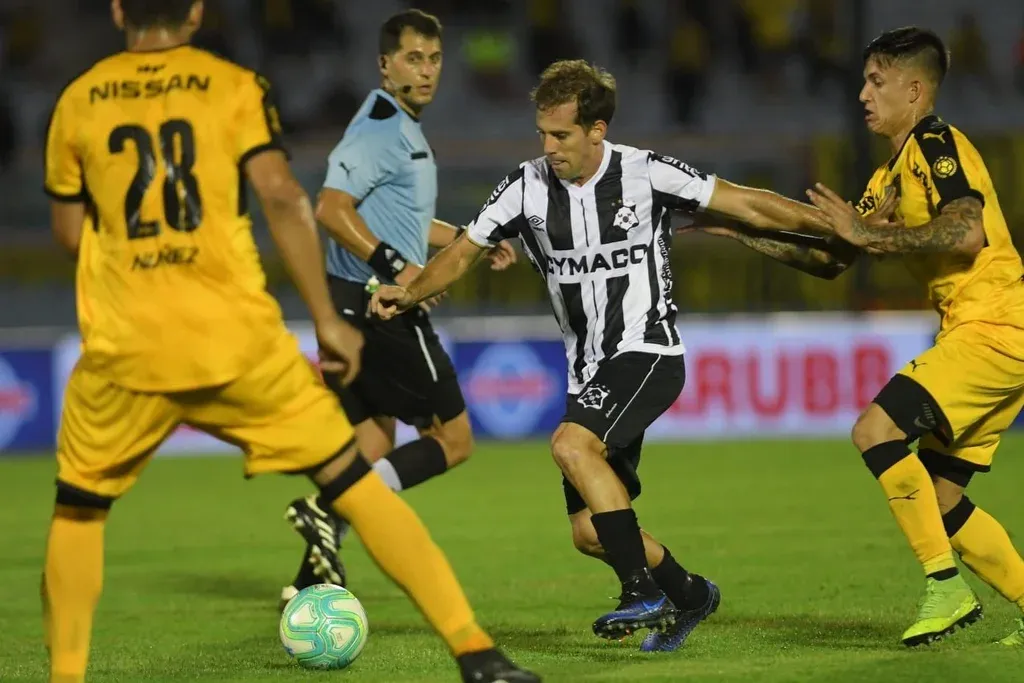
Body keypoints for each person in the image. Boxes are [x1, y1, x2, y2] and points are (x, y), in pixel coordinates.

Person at [40, 2, 539, 682]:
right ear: (196, 11)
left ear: (119, 9)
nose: (426, 70)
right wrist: (329, 317)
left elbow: (70, 234)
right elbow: (283, 196)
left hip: (126, 342)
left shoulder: (78, 99)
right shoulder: (233, 86)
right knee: (354, 482)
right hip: (235, 339)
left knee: (78, 509)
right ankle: (476, 653)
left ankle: (65, 674)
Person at [369, 59, 842, 651]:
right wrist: (410, 292)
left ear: (597, 130)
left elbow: (747, 204)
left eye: (561, 135)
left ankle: (639, 592)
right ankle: (691, 594)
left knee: (571, 444)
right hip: (587, 369)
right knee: (590, 532)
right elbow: (465, 250)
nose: (548, 147)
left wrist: (837, 228)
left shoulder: (646, 173)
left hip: (648, 350)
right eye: (542, 133)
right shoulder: (525, 186)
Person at [280, 8, 517, 604]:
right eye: (414, 58)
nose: (427, 70)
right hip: (379, 307)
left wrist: (466, 241)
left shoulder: (400, 126)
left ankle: (306, 585)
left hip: (350, 303)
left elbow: (402, 221)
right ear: (385, 65)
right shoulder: (380, 128)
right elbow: (330, 209)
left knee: (372, 443)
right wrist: (399, 270)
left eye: (434, 59)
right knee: (454, 439)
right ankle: (329, 507)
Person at [801, 26, 1024, 648]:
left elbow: (967, 231)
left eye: (877, 81)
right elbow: (831, 259)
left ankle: (944, 587)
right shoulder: (888, 176)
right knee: (941, 499)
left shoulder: (936, 142)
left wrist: (872, 235)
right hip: (991, 333)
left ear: (915, 90)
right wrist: (734, 225)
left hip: (996, 325)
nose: (863, 94)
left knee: (875, 431)